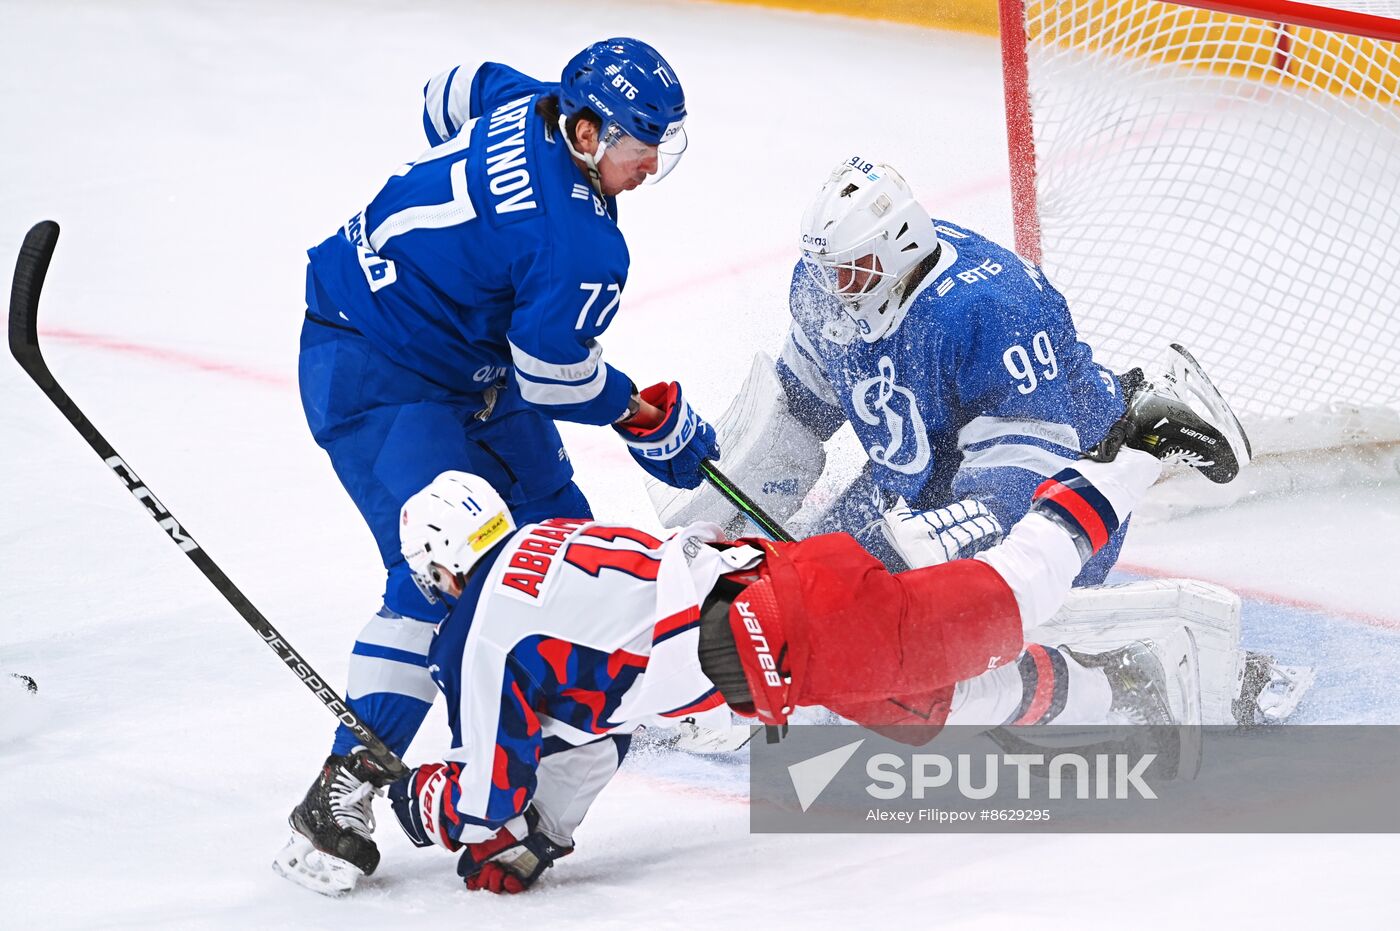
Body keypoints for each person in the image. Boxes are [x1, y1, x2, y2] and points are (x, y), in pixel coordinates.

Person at [271, 346, 1251, 895]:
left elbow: (485, 803)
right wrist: (538, 837)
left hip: (794, 628)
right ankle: (1121, 686)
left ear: (439, 563)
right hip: (785, 623)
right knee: (927, 709)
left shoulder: (484, 630)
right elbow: (582, 736)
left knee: (1006, 599)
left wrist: (419, 802)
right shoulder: (548, 555)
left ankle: (1134, 437)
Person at [287, 34, 720, 859]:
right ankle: (346, 785)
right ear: (587, 134)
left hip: (464, 361)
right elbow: (555, 379)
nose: (653, 164)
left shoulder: (526, 96)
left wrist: (457, 253)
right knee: (444, 569)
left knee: (567, 548)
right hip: (376, 366)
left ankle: (548, 753)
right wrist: (645, 419)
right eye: (641, 142)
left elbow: (446, 91)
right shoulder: (582, 244)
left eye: (663, 140)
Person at [653, 155, 1138, 582]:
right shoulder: (831, 291)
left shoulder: (989, 308)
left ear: (899, 246)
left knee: (910, 602)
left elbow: (1021, 480)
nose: (830, 284)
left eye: (847, 268)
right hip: (924, 473)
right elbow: (803, 410)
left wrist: (919, 543)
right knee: (809, 571)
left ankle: (1139, 424)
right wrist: (741, 494)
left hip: (1063, 481)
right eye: (824, 267)